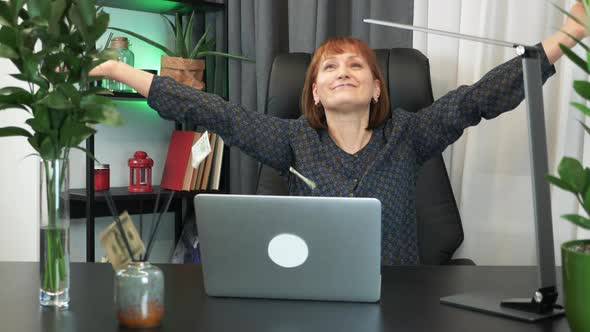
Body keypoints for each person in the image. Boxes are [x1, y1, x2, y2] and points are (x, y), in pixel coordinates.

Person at [91, 3, 588, 265]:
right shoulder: (290, 140)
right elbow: (213, 112)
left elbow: (479, 97)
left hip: (401, 299)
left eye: (356, 65)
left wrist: (567, 36)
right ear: (314, 92)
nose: (342, 71)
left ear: (377, 88)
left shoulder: (410, 133)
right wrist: (123, 70)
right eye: (328, 67)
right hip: (313, 295)